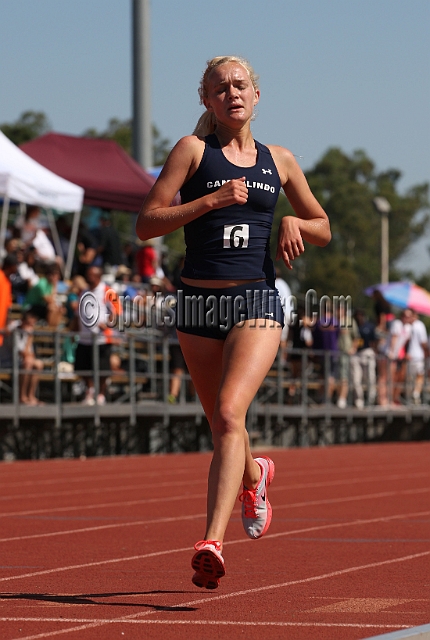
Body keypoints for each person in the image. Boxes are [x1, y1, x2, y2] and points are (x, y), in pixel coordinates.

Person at [136, 55, 330, 589]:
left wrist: (294, 221)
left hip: (255, 303)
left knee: (227, 412)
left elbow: (323, 227)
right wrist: (209, 201)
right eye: (220, 88)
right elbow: (146, 224)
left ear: (257, 95)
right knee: (225, 425)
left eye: (240, 85)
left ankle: (210, 543)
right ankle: (255, 474)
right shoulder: (192, 151)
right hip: (197, 305)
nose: (232, 93)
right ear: (207, 100)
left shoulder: (281, 160)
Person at [406, 310, 428, 404]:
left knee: (411, 377)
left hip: (409, 356)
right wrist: (426, 352)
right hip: (418, 356)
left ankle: (411, 396)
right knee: (419, 376)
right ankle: (415, 394)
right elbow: (423, 342)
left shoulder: (408, 325)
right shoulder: (419, 325)